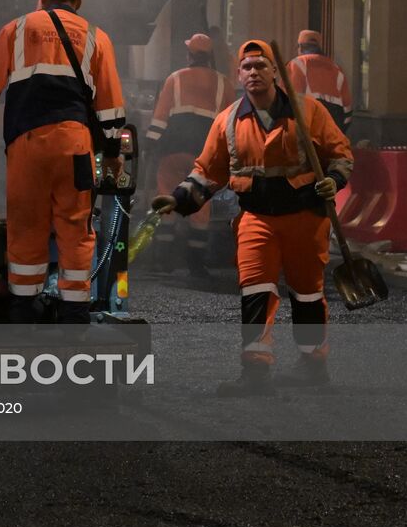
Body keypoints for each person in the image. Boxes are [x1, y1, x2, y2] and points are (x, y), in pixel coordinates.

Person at [152, 40, 353, 395]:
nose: (254, 73)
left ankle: (312, 363)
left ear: (276, 72)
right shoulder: (228, 121)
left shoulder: (309, 113)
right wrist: (179, 198)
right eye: (247, 67)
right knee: (256, 289)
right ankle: (256, 371)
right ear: (239, 75)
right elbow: (207, 172)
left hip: (305, 215)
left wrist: (333, 181)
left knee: (307, 293)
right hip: (257, 217)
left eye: (261, 66)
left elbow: (340, 154)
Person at [0, 0, 126, 324]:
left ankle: (24, 311)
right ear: (79, 0)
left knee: (27, 227)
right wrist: (114, 154)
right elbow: (111, 105)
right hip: (75, 145)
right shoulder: (96, 38)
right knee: (75, 228)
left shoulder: (17, 29)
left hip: (27, 145)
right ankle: (75, 315)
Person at [144, 34, 236, 279]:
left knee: (166, 201)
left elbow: (160, 119)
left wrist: (149, 145)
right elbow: (230, 124)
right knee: (199, 208)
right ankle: (196, 265)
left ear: (189, 55)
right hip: (203, 154)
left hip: (172, 151)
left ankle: (161, 261)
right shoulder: (224, 84)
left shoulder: (174, 79)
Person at [286, 29, 353, 133]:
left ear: (300, 47)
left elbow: (286, 101)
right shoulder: (337, 69)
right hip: (332, 131)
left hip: (306, 130)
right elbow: (347, 110)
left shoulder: (296, 65)